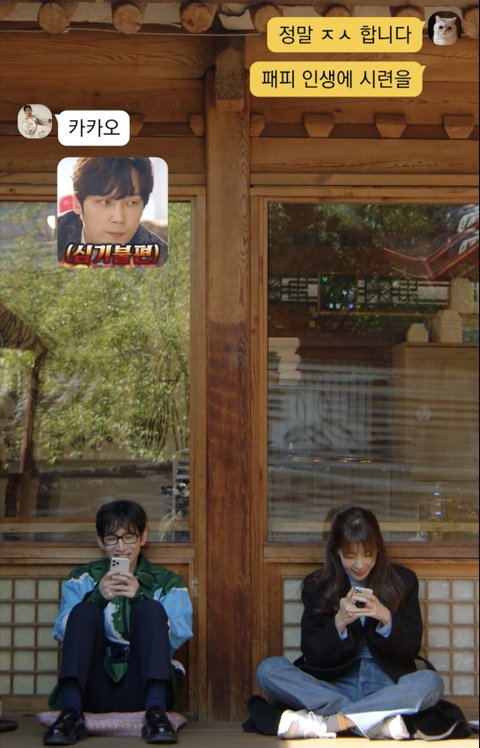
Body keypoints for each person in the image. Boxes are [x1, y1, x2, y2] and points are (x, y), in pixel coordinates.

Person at [254, 505, 444, 740]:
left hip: (385, 684)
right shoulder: (318, 586)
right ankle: (371, 720)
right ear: (337, 552)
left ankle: (333, 722)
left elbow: (410, 649)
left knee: (431, 682)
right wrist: (339, 622)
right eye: (350, 556)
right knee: (268, 670)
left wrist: (386, 617)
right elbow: (312, 654)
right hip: (334, 684)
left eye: (368, 555)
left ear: (378, 550)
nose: (360, 564)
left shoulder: (403, 581)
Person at [43, 499, 193, 746]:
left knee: (150, 609)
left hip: (142, 685)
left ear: (143, 537)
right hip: (94, 685)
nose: (121, 547)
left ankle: (156, 713)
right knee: (84, 610)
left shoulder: (168, 582)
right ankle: (71, 712)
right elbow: (62, 631)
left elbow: (178, 635)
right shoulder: (82, 578)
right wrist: (97, 597)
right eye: (112, 538)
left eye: (129, 537)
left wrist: (139, 597)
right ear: (100, 541)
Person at [57, 157, 168, 265]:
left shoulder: (161, 257)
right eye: (105, 202)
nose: (119, 218)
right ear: (77, 204)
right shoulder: (54, 238)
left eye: (131, 203)